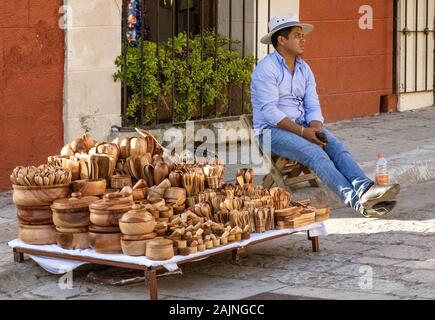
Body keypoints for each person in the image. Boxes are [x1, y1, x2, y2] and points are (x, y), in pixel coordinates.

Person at [251, 13, 400, 217]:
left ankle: (366, 190)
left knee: (337, 147)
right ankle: (358, 203)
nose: (303, 39)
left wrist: (316, 129)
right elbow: (270, 112)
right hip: (270, 132)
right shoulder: (266, 69)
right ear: (281, 40)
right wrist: (304, 132)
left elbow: (312, 104)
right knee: (316, 154)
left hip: (302, 125)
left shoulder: (304, 68)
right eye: (297, 35)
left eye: (303, 35)